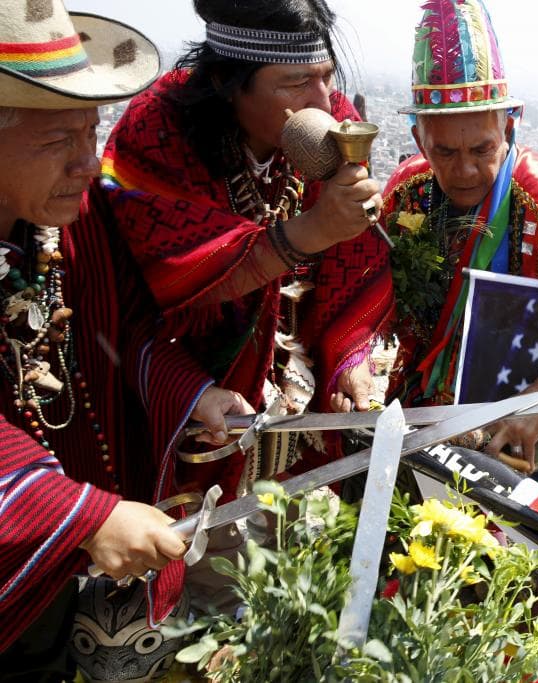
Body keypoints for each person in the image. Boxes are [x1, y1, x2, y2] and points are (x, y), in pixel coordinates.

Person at [0, 1, 239, 676]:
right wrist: (81, 514)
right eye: (56, 143)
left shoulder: (72, 217)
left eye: (90, 132)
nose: (87, 163)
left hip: (48, 563)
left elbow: (124, 330)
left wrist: (194, 395)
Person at [100, 0, 392, 494]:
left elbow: (355, 255)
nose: (323, 102)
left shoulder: (327, 120)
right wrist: (311, 232)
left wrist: (349, 354)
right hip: (179, 387)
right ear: (225, 81)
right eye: (295, 83)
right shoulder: (156, 130)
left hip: (286, 395)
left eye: (327, 77)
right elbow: (162, 281)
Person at [381, 0, 538, 470]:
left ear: (510, 127)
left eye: (482, 148)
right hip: (414, 402)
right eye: (444, 151)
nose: (465, 169)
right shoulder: (407, 188)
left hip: (508, 414)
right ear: (419, 140)